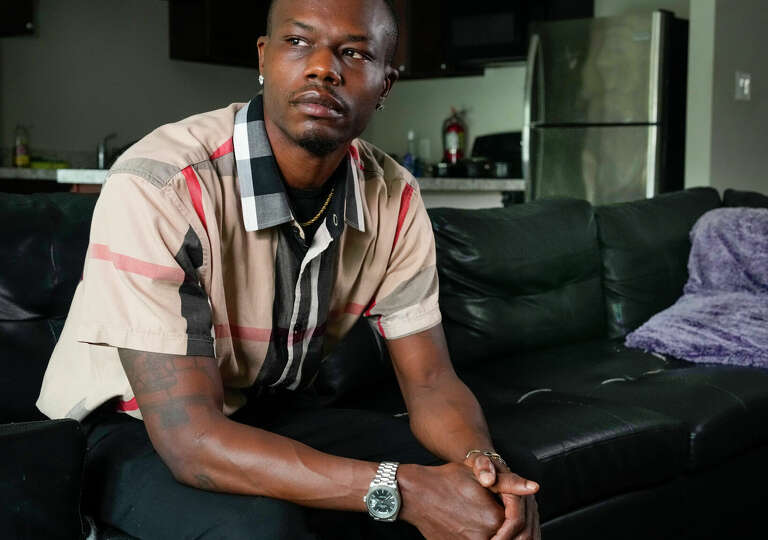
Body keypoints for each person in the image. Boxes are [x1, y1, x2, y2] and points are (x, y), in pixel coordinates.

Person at [35, 0, 540, 538]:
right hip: (123, 429)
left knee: (488, 496)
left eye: (353, 52)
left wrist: (482, 462)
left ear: (385, 85)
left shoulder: (394, 197)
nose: (323, 67)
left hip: (264, 408)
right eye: (298, 42)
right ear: (264, 56)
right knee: (262, 529)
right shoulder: (162, 185)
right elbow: (192, 444)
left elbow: (433, 382)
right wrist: (404, 489)